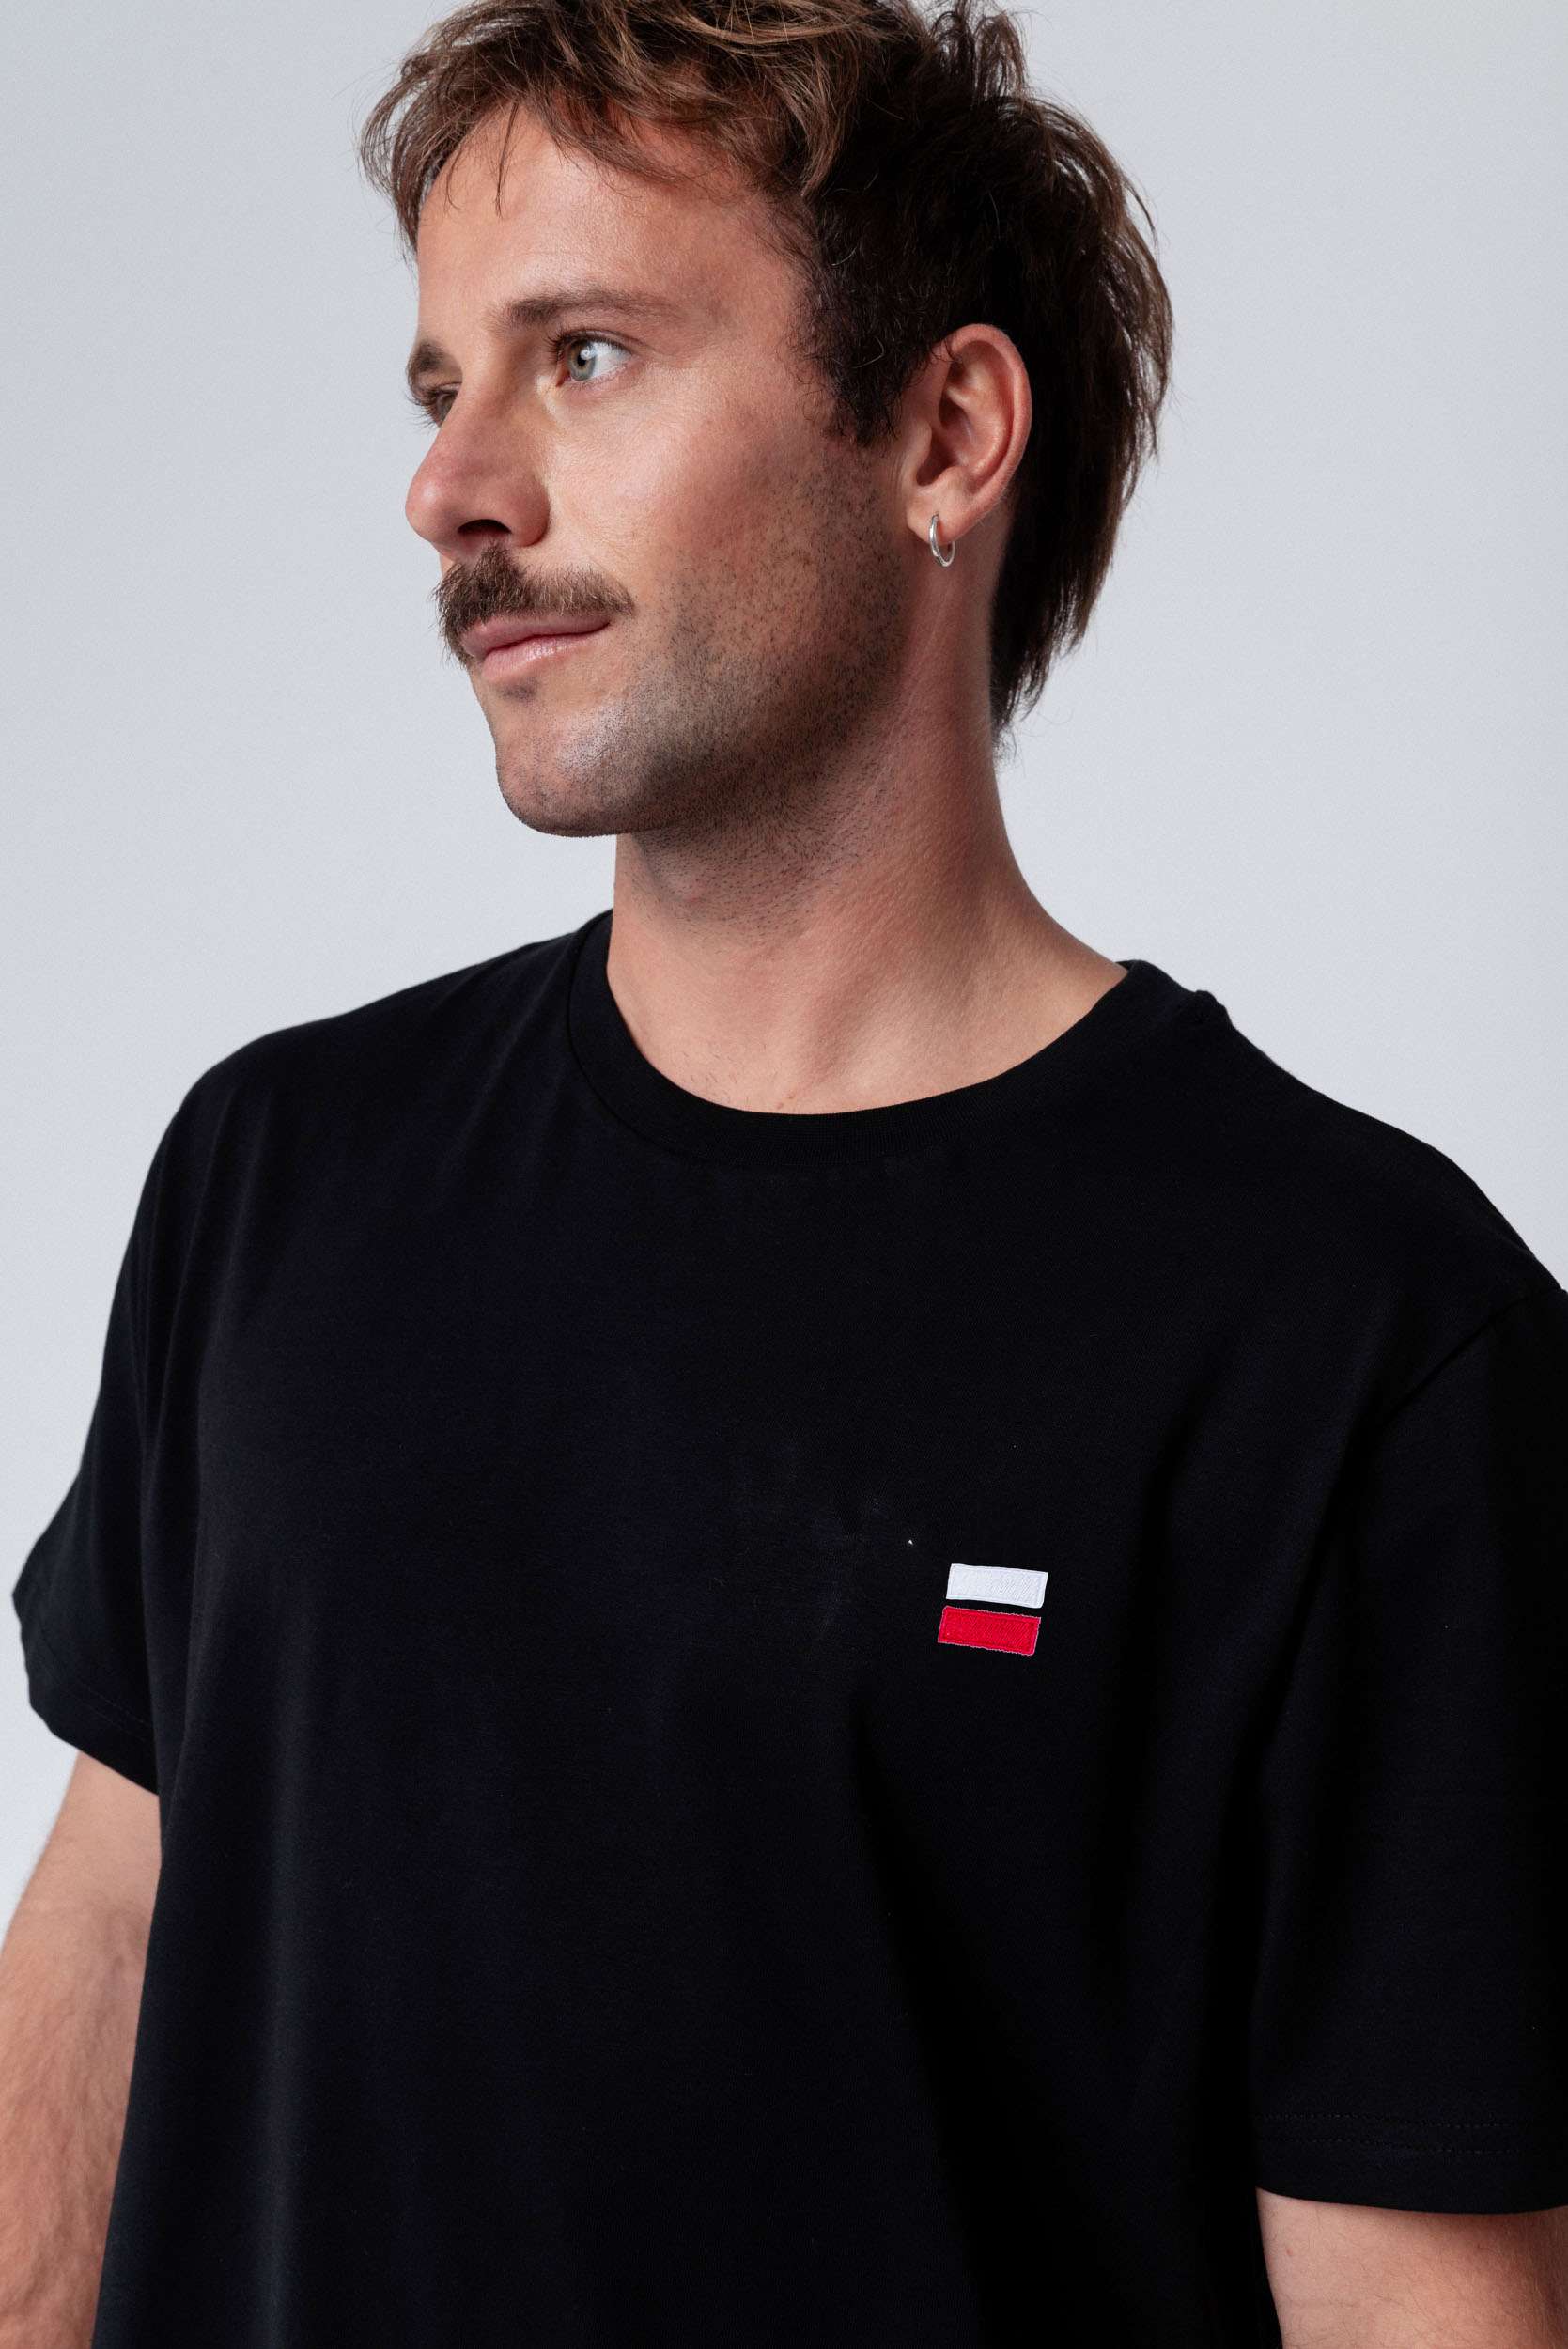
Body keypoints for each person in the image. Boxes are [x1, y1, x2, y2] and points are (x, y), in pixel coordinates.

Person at [5, 1, 1566, 2341]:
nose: (455, 489)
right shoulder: (278, 1177)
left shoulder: (1362, 1339)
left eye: (587, 356)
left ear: (943, 434)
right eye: (441, 387)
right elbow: (111, 1950)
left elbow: (1416, 2301)